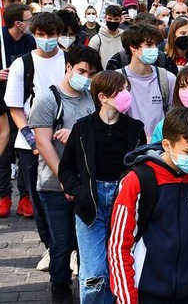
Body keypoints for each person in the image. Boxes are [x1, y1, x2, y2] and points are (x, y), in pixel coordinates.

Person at [109, 107, 188, 304]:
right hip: (147, 293)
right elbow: (119, 247)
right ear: (167, 145)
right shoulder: (137, 181)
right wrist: (127, 299)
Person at [58, 71, 146, 304]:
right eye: (120, 91)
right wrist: (79, 191)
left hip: (124, 201)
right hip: (91, 204)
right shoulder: (83, 128)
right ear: (103, 97)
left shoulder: (135, 128)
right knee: (94, 272)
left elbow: (142, 167)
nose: (126, 95)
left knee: (121, 265)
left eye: (127, 89)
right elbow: (66, 168)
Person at [29, 45, 102, 303]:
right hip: (54, 184)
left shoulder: (92, 98)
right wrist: (65, 180)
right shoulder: (48, 99)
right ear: (68, 67)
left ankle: (86, 282)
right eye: (82, 70)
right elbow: (43, 143)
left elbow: (97, 134)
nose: (86, 77)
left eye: (91, 73)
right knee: (61, 242)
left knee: (86, 240)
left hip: (86, 183)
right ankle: (59, 285)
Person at [4, 12, 69, 270]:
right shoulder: (23, 64)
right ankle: (51, 248)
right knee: (40, 199)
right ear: (34, 34)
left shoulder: (69, 60)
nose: (47, 40)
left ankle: (70, 248)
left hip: (66, 138)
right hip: (30, 145)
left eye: (51, 35)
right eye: (41, 35)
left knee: (68, 194)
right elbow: (15, 108)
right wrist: (32, 139)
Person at [0, 3, 37, 218]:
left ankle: (25, 197)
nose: (30, 23)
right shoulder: (1, 39)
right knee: (4, 152)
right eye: (28, 19)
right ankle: (3, 195)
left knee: (25, 150)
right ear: (17, 23)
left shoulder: (29, 41)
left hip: (23, 104)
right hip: (2, 104)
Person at [117, 24, 176, 139]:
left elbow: (174, 117)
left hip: (159, 146)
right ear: (133, 47)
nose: (154, 49)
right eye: (148, 45)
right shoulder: (117, 79)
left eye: (156, 45)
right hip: (128, 146)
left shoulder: (167, 78)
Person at [89, 4, 125, 69]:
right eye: (110, 18)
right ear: (105, 18)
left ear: (121, 19)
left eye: (116, 19)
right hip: (103, 76)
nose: (112, 21)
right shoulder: (97, 39)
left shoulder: (125, 38)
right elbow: (90, 61)